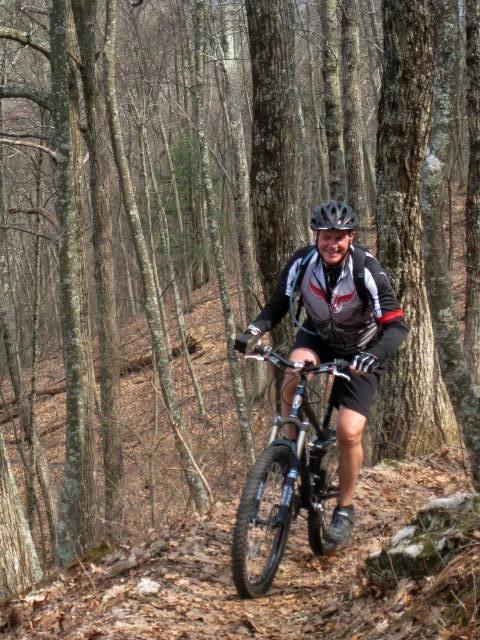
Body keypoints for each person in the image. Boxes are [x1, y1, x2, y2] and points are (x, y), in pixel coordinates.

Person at [234, 200, 408, 551]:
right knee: (293, 371)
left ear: (351, 237)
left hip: (362, 348)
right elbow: (277, 306)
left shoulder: (366, 269)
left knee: (348, 432)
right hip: (317, 337)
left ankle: (345, 508)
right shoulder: (302, 263)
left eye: (339, 238)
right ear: (316, 237)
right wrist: (253, 331)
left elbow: (396, 326)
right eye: (326, 237)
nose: (332, 244)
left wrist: (372, 357)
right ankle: (286, 452)